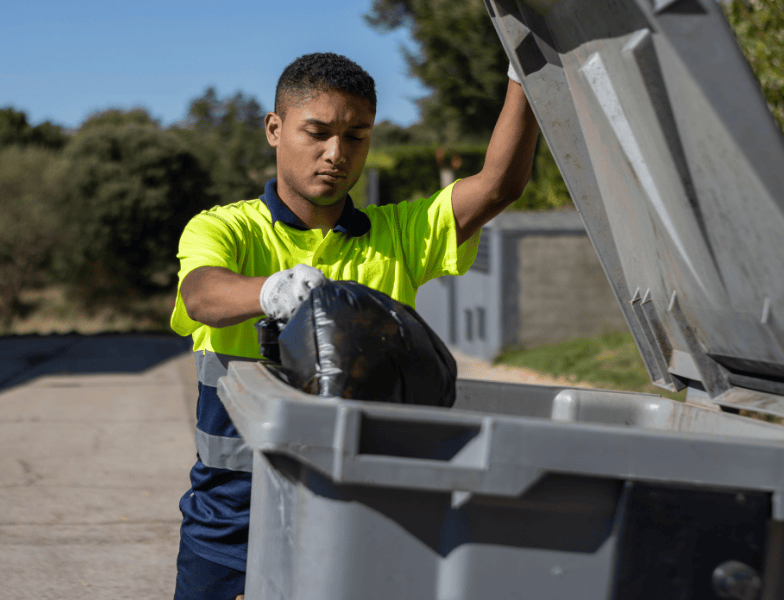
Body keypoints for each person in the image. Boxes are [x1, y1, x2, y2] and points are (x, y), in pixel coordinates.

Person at [170, 52, 539, 600]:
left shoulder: (400, 235)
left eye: (356, 136)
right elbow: (201, 295)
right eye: (317, 133)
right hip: (230, 525)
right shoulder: (226, 228)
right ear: (274, 129)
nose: (336, 154)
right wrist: (270, 292)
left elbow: (498, 186)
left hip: (361, 521)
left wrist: (522, 73)